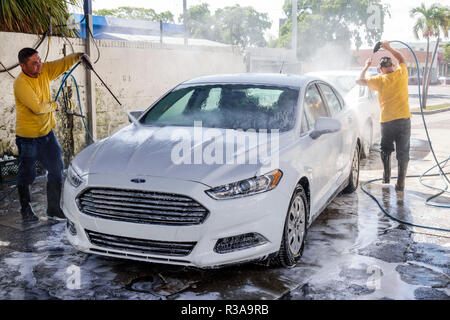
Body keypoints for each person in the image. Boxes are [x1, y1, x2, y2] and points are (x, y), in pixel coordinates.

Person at [14, 47, 90, 222]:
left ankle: (53, 209)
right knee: (27, 174)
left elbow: (62, 64)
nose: (39, 65)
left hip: (47, 134)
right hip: (28, 138)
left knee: (56, 169)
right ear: (22, 66)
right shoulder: (21, 83)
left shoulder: (45, 70)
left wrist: (79, 56)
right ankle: (25, 210)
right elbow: (37, 108)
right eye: (34, 63)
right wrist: (54, 105)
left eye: (39, 60)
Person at [356, 41, 411, 191]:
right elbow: (402, 59)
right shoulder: (401, 73)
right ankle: (400, 183)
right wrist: (389, 48)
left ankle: (386, 177)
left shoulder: (379, 80)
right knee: (403, 151)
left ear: (381, 69)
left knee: (386, 149)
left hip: (387, 122)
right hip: (404, 120)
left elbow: (358, 81)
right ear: (392, 66)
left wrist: (366, 66)